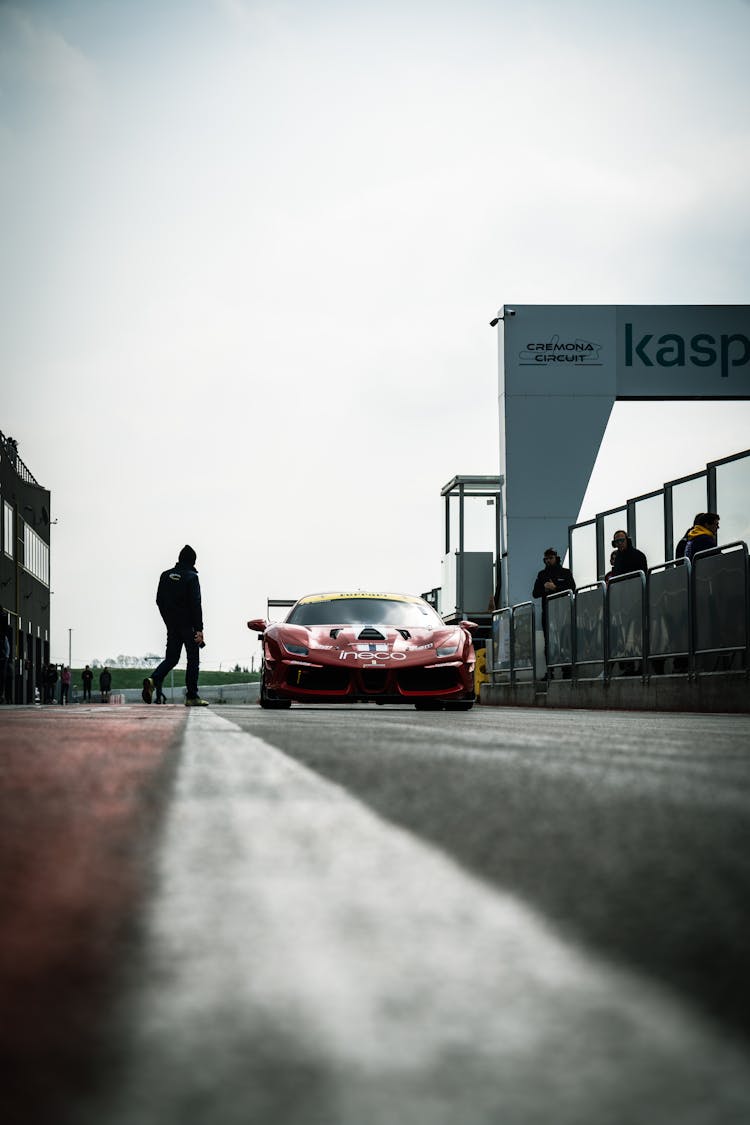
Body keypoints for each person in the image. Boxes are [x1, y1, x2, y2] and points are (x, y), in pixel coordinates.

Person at [142, 544, 208, 707]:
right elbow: (196, 603)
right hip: (189, 626)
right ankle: (192, 696)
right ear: (193, 561)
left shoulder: (165, 576)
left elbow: (159, 601)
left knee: (172, 658)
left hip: (172, 625)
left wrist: (169, 621)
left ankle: (153, 679)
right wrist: (199, 629)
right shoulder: (192, 577)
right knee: (193, 658)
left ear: (179, 559)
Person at [533, 548, 576, 668]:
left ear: (556, 558)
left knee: (565, 640)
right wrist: (545, 589)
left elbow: (572, 588)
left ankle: (566, 670)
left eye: (550, 558)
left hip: (563, 611)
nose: (548, 561)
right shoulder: (542, 574)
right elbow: (535, 593)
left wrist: (555, 587)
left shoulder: (565, 573)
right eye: (546, 559)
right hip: (547, 612)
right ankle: (550, 671)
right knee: (549, 642)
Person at [0, 609, 9, 704]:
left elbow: (7, 650)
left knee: (2, 676)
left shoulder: (3, 638)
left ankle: (2, 695)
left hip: (3, 658)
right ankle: (2, 695)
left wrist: (5, 657)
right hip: (4, 657)